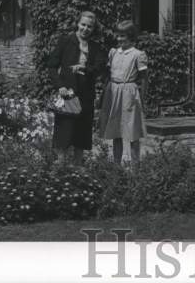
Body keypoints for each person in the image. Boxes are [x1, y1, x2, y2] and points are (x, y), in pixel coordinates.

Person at [45, 10, 107, 165]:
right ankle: (60, 167)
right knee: (64, 132)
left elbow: (99, 67)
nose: (85, 29)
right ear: (77, 24)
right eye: (83, 24)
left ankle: (78, 169)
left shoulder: (95, 47)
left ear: (94, 29)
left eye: (89, 27)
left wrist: (85, 68)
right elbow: (51, 66)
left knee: (82, 133)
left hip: (86, 95)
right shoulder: (65, 41)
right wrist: (60, 86)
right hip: (68, 94)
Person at [99, 20, 149, 168]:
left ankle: (135, 166)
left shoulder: (138, 54)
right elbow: (108, 74)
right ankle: (116, 166)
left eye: (123, 36)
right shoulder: (113, 52)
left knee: (132, 131)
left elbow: (144, 78)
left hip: (129, 92)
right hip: (114, 91)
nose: (120, 39)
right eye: (118, 36)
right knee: (116, 130)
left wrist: (143, 99)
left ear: (131, 36)